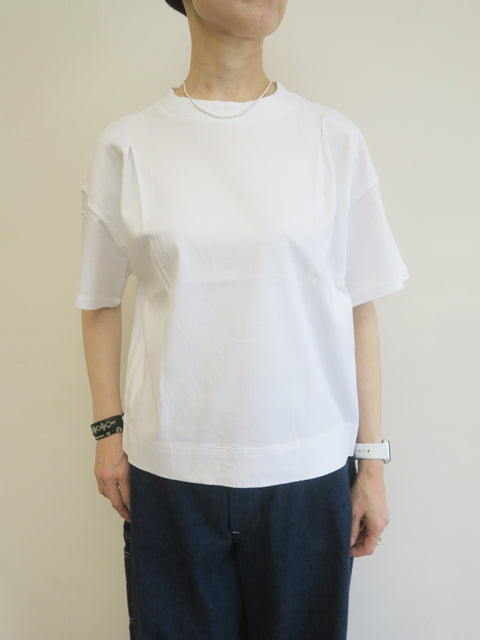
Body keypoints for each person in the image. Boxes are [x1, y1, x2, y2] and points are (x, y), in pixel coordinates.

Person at [74, 1, 410, 638]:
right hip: (170, 475)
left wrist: (372, 464)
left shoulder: (331, 138)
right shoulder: (128, 144)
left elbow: (361, 309)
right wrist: (108, 434)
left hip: (307, 476)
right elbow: (98, 300)